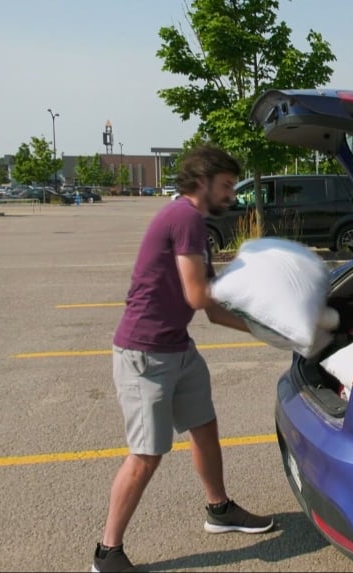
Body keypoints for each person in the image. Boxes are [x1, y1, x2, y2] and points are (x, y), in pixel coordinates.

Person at [92, 145, 273, 573]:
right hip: (145, 353)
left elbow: (212, 309)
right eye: (226, 185)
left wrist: (263, 329)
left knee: (204, 426)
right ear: (201, 182)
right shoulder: (186, 218)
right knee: (146, 454)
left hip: (176, 346)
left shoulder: (188, 219)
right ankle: (107, 553)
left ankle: (219, 509)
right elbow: (198, 296)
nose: (231, 194)